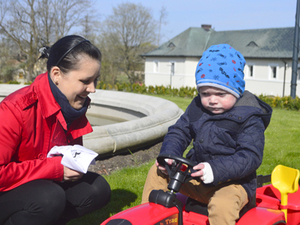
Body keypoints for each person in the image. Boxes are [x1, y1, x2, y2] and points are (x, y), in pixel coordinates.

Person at [141, 44, 272, 225]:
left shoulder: (250, 117)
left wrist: (215, 170)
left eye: (220, 93)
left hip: (233, 184)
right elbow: (179, 131)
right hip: (197, 176)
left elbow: (250, 156)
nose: (212, 100)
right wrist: (169, 156)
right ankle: (150, 218)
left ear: (236, 90)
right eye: (205, 93)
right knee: (158, 171)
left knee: (222, 205)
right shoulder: (197, 107)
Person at [0, 35, 111, 225]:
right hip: (8, 192)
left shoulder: (73, 105)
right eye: (85, 81)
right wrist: (56, 169)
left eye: (95, 80)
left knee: (98, 188)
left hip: (44, 185)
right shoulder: (15, 109)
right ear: (56, 74)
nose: (92, 89)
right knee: (49, 198)